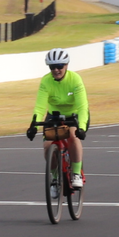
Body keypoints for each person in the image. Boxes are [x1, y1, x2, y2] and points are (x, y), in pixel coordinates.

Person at [26, 48, 89, 190]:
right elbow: (40, 107)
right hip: (54, 116)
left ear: (66, 66)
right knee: (48, 146)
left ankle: (76, 173)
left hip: (74, 115)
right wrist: (33, 126)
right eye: (52, 67)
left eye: (59, 66)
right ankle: (55, 178)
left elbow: (83, 107)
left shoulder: (75, 79)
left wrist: (82, 127)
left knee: (72, 135)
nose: (56, 70)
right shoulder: (46, 81)